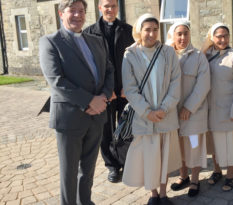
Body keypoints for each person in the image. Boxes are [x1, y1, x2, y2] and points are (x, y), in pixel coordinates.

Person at [39, 0, 114, 204]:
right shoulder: (50, 42)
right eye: (72, 10)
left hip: (97, 116)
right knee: (69, 172)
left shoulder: (96, 40)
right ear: (61, 13)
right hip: (70, 118)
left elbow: (109, 70)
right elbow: (56, 81)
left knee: (88, 169)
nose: (78, 15)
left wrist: (104, 98)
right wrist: (90, 101)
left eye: (81, 11)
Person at [121, 13, 181, 205]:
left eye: (155, 29)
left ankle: (163, 194)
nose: (152, 34)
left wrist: (164, 108)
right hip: (144, 118)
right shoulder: (130, 55)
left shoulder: (168, 52)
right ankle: (154, 194)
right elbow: (129, 88)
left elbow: (175, 82)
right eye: (147, 29)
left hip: (166, 115)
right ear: (139, 30)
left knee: (164, 158)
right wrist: (147, 112)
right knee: (150, 159)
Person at [83, 0, 135, 183]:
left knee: (126, 128)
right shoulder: (89, 33)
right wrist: (105, 91)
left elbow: (134, 61)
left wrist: (128, 87)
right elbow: (89, 66)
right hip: (103, 92)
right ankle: (112, 166)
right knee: (105, 130)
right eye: (106, 6)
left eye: (113, 6)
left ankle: (126, 161)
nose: (110, 9)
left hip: (124, 91)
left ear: (117, 8)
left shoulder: (129, 30)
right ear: (99, 8)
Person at [201, 23, 233, 192]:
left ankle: (230, 174)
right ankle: (216, 170)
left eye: (225, 36)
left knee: (231, 144)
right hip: (211, 109)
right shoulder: (206, 55)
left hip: (229, 109)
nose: (222, 39)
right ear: (212, 37)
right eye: (218, 36)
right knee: (214, 144)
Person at [165, 22, 210, 197]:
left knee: (194, 147)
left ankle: (195, 180)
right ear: (173, 35)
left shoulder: (198, 56)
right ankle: (183, 176)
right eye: (179, 34)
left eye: (186, 34)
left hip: (193, 114)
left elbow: (203, 84)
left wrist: (189, 107)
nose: (183, 38)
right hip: (172, 113)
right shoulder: (167, 55)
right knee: (179, 148)